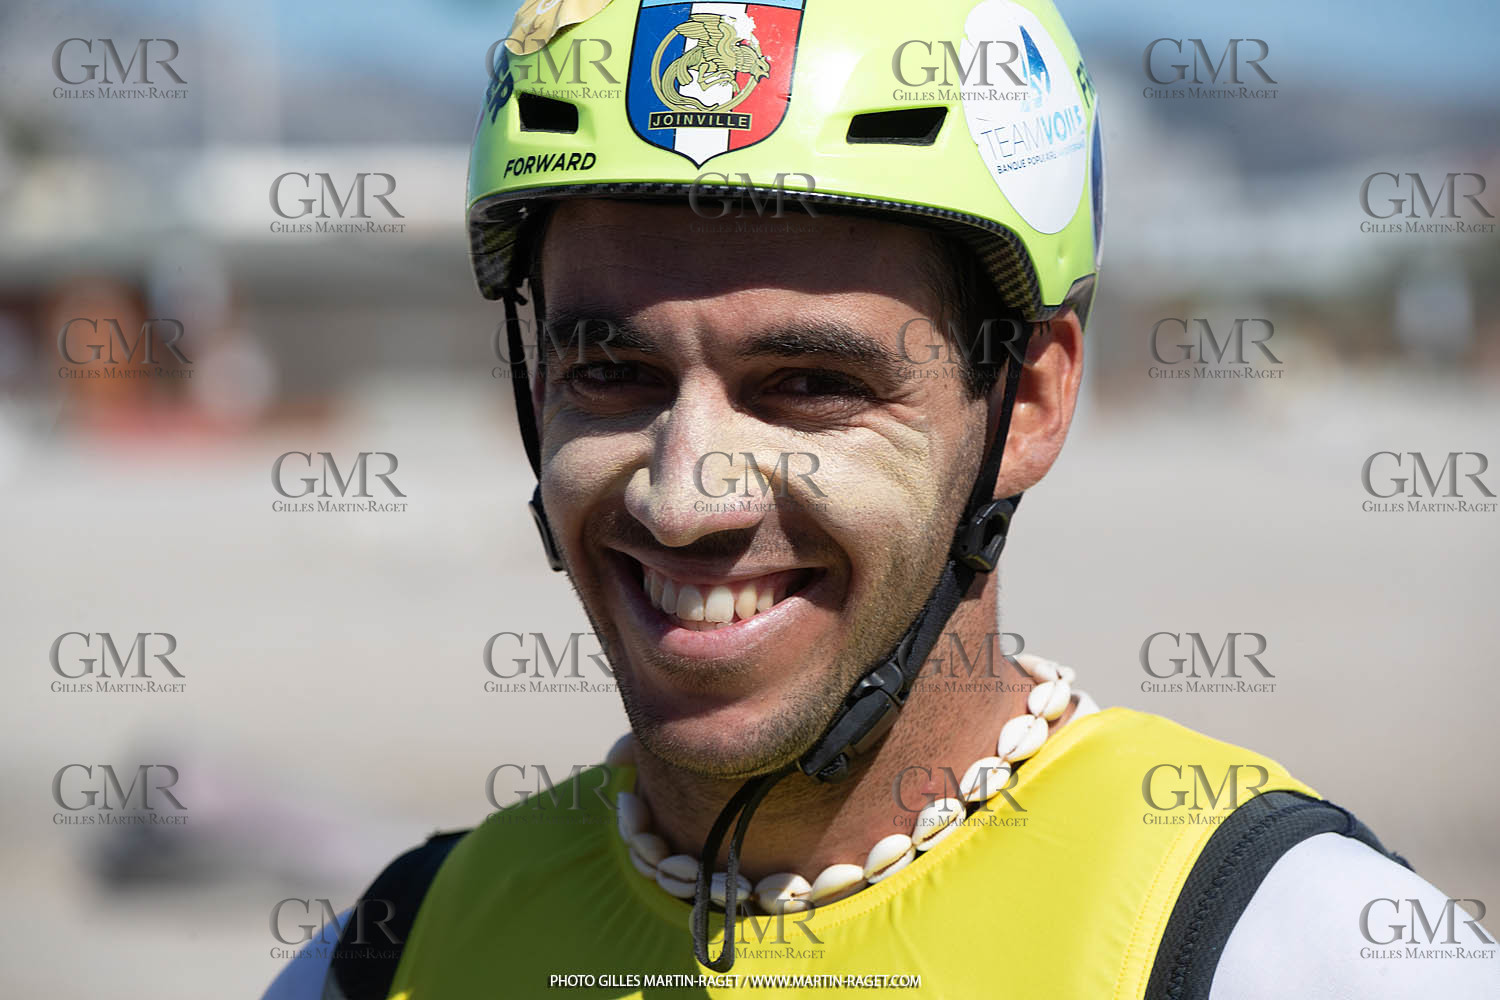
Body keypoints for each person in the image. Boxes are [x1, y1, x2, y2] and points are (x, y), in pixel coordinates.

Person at [266, 0, 1498, 996]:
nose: (686, 496)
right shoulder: (392, 955)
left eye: (808, 383)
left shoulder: (1275, 944)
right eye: (611, 371)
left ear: (1027, 403)